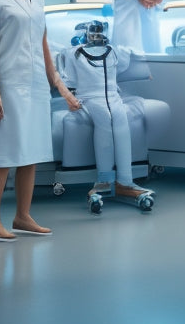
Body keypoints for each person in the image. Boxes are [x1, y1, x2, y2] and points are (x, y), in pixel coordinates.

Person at [0, 0, 80, 241]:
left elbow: (44, 46)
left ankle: (22, 216)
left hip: (35, 84)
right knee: (4, 153)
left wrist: (60, 87)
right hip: (8, 82)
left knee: (31, 151)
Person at [59, 20, 154, 207]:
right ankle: (104, 179)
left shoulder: (114, 51)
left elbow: (129, 60)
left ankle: (125, 181)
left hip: (113, 96)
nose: (96, 36)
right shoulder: (72, 54)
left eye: (99, 32)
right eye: (92, 33)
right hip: (88, 97)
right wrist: (70, 98)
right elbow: (68, 80)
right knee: (104, 121)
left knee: (120, 122)